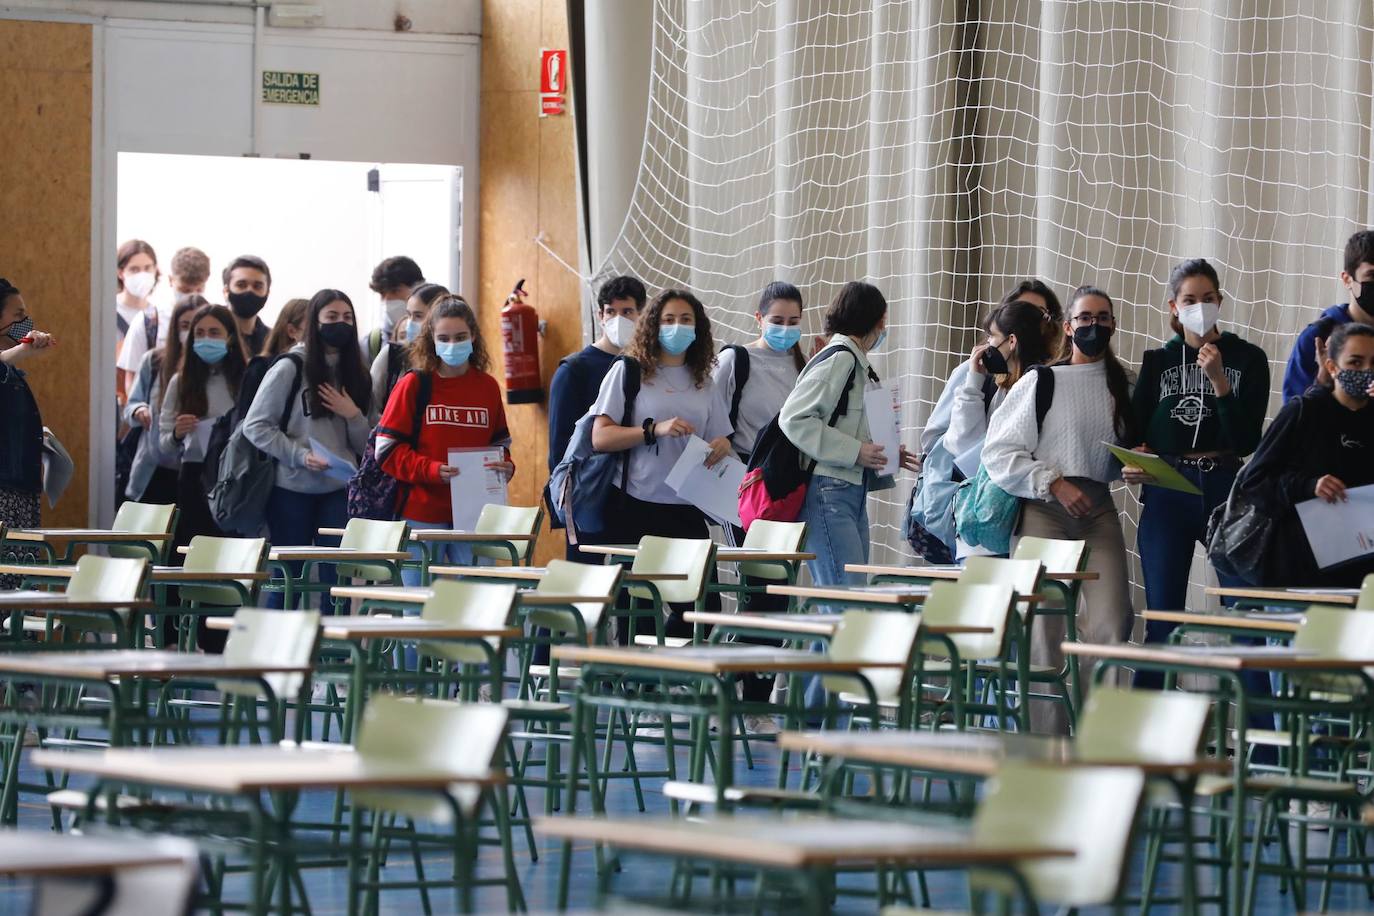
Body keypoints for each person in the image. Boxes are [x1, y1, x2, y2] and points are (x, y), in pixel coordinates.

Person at [981, 285, 1137, 734]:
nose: (1095, 326)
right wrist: (1053, 481)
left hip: (1098, 509)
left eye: (1103, 318)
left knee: (1112, 621)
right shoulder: (1040, 380)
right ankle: (1042, 744)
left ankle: (1096, 736)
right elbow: (1000, 452)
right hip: (1045, 508)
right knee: (1042, 628)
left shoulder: (1122, 384)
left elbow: (1120, 451)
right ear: (1067, 327)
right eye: (1085, 318)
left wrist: (1135, 465)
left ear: (1113, 325)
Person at [1125, 259, 1269, 671]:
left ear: (1220, 301)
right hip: (1169, 489)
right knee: (1163, 623)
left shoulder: (1249, 358)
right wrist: (1135, 462)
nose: (1199, 307)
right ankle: (1151, 728)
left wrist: (1220, 381)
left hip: (1226, 488)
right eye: (1190, 300)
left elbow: (1247, 441)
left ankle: (1259, 732)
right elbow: (1135, 433)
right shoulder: (1157, 362)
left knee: (1246, 619)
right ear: (1173, 306)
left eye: (1208, 298)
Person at [589, 288, 733, 641]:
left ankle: (666, 673)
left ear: (698, 328)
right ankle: (639, 685)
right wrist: (653, 430)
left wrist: (722, 444)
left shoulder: (705, 380)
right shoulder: (629, 371)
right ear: (653, 325)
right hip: (636, 505)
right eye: (668, 319)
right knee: (638, 616)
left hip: (686, 506)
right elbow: (600, 436)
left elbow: (722, 438)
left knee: (703, 610)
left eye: (685, 320)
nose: (677, 327)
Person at [909, 281, 1062, 562]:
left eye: (1038, 314)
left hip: (1035, 514)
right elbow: (951, 441)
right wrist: (973, 380)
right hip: (986, 513)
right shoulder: (981, 376)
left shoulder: (1052, 380)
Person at [712, 281, 805, 729]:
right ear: (759, 319)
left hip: (789, 489)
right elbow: (713, 417)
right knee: (757, 590)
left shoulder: (806, 362)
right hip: (746, 485)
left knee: (780, 597)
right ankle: (735, 693)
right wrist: (730, 463)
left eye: (793, 322)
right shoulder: (737, 360)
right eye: (777, 321)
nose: (785, 330)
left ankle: (757, 701)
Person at [243, 289, 372, 609]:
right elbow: (255, 426)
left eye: (347, 318)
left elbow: (367, 444)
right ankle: (278, 656)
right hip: (290, 489)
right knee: (288, 581)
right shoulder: (290, 366)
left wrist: (352, 414)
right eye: (331, 317)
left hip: (338, 489)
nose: (340, 324)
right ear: (314, 322)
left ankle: (334, 657)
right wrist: (299, 456)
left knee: (335, 583)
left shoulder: (357, 372)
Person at [376, 295, 514, 584]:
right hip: (422, 513)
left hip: (474, 513)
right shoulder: (414, 384)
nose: (453, 345)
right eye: (444, 338)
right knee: (418, 607)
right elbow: (386, 450)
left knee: (477, 600)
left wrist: (506, 467)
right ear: (432, 340)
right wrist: (431, 470)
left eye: (461, 336)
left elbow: (499, 445)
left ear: (473, 336)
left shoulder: (487, 387)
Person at [1240, 323, 1374, 587]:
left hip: (1364, 572)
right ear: (1332, 367)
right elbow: (1255, 482)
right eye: (1356, 362)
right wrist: (1309, 485)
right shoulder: (1304, 412)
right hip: (1300, 570)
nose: (1366, 371)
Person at [945, 299, 1056, 557]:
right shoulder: (999, 385)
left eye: (992, 337)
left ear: (1012, 341)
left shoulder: (1034, 387)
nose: (986, 346)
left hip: (1006, 518)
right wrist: (974, 379)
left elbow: (966, 446)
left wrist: (973, 383)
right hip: (993, 520)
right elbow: (961, 444)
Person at [546, 274, 647, 558]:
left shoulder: (645, 369)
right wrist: (568, 505)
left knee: (630, 592)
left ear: (642, 315)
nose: (619, 319)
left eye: (627, 312)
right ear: (600, 316)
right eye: (611, 312)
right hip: (589, 496)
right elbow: (559, 451)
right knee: (588, 588)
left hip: (635, 498)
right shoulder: (574, 370)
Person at [160, 304, 249, 546]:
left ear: (230, 337)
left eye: (214, 332)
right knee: (196, 545)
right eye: (199, 333)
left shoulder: (246, 378)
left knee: (232, 546)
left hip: (234, 472)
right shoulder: (181, 381)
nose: (206, 339)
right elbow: (164, 444)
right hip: (195, 473)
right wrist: (177, 434)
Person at [0, 278, 56, 583]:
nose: (26, 322)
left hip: (21, 491)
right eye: (17, 315)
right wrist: (18, 352)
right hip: (3, 494)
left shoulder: (12, 372)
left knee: (21, 582)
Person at [123, 297, 201, 504]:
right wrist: (139, 410)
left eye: (196, 325)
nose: (191, 331)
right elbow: (131, 404)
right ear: (175, 328)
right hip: (153, 467)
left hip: (194, 471)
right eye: (185, 325)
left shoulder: (214, 369)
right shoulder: (154, 361)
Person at [1282, 230, 1374, 402]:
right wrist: (1323, 382)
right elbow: (1293, 417)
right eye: (1372, 275)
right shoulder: (1317, 337)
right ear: (1347, 279)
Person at [118, 246, 210, 395]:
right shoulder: (148, 322)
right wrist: (139, 411)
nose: (192, 296)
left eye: (198, 290)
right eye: (185, 290)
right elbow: (132, 380)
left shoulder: (213, 321)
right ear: (171, 280)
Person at [369, 282, 450, 413]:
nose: (410, 323)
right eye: (408, 315)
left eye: (418, 316)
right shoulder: (392, 356)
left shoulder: (452, 359)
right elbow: (370, 411)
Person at [114, 239, 159, 406]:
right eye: (134, 269)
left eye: (147, 268)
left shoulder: (157, 316)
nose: (142, 275)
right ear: (120, 272)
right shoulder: (107, 312)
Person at [366, 255, 425, 365]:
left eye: (394, 291)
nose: (387, 299)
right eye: (382, 294)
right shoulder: (372, 343)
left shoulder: (440, 337)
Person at [221, 255, 274, 357]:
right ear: (226, 291)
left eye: (257, 286)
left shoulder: (273, 342)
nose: (249, 291)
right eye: (241, 285)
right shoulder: (209, 335)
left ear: (267, 293)